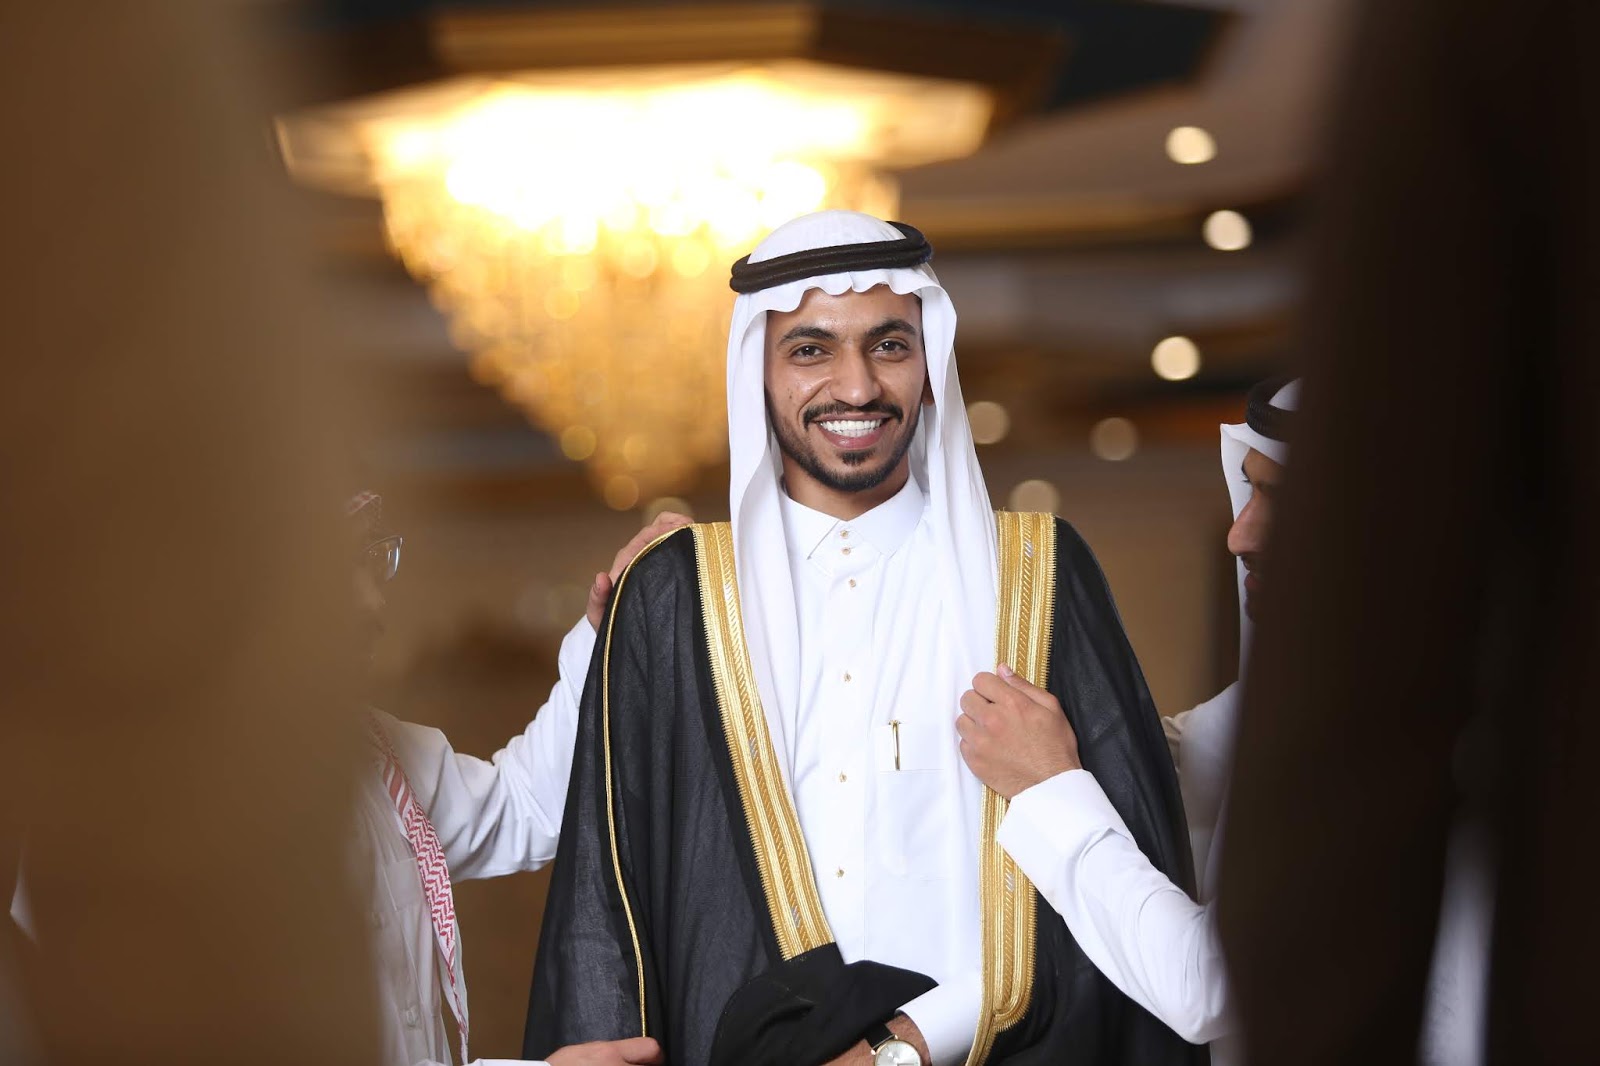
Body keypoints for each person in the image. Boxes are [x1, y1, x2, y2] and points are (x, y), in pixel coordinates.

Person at [524, 211, 1200, 1066]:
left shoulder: (1036, 574)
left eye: (889, 345)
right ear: (756, 371)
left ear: (929, 364)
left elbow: (1114, 881)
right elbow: (607, 900)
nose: (856, 387)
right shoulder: (674, 595)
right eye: (811, 350)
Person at [956, 377, 1299, 1063]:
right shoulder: (1299, 700)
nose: (1239, 534)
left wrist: (1048, 786)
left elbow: (1208, 986)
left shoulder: (1405, 729)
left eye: (1282, 501)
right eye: (1251, 491)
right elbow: (1158, 758)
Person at [349, 491, 680, 1066]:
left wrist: (606, 637)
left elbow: (522, 803)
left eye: (370, 563)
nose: (373, 603)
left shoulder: (377, 754)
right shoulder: (200, 816)